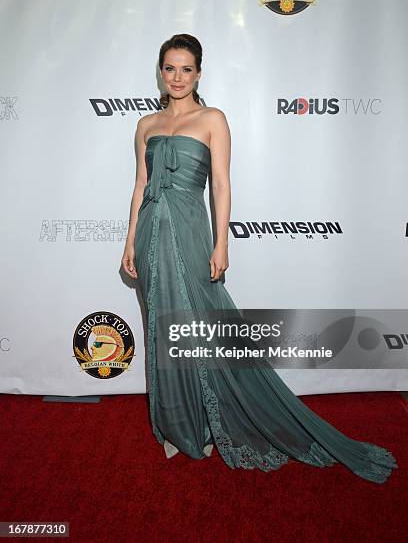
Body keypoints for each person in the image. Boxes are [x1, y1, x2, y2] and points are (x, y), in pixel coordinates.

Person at [121, 33, 398, 483]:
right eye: (170, 68)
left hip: (190, 234)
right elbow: (139, 185)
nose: (177, 77)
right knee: (159, 323)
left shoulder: (213, 118)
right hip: (151, 231)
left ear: (198, 74)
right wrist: (130, 240)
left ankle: (208, 422)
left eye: (186, 69)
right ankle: (176, 424)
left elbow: (223, 186)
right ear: (160, 71)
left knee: (196, 325)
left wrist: (222, 243)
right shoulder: (144, 124)